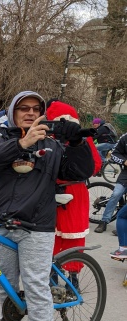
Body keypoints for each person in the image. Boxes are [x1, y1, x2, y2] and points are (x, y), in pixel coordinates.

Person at [0, 91, 94, 321]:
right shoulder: (1, 138)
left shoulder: (53, 145)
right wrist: (21, 143)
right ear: (14, 113)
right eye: (23, 108)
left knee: (35, 286)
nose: (29, 113)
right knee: (5, 280)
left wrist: (76, 142)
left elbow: (81, 171)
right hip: (1, 222)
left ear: (42, 113)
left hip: (36, 226)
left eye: (36, 109)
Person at [46, 100, 103, 274]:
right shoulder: (80, 138)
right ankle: (70, 276)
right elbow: (96, 166)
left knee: (64, 235)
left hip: (68, 191)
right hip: (65, 191)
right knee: (64, 236)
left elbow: (94, 166)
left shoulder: (80, 139)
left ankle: (63, 275)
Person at [94, 132, 127, 234]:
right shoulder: (125, 137)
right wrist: (124, 161)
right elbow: (114, 153)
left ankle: (123, 226)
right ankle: (104, 222)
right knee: (116, 194)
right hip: (125, 175)